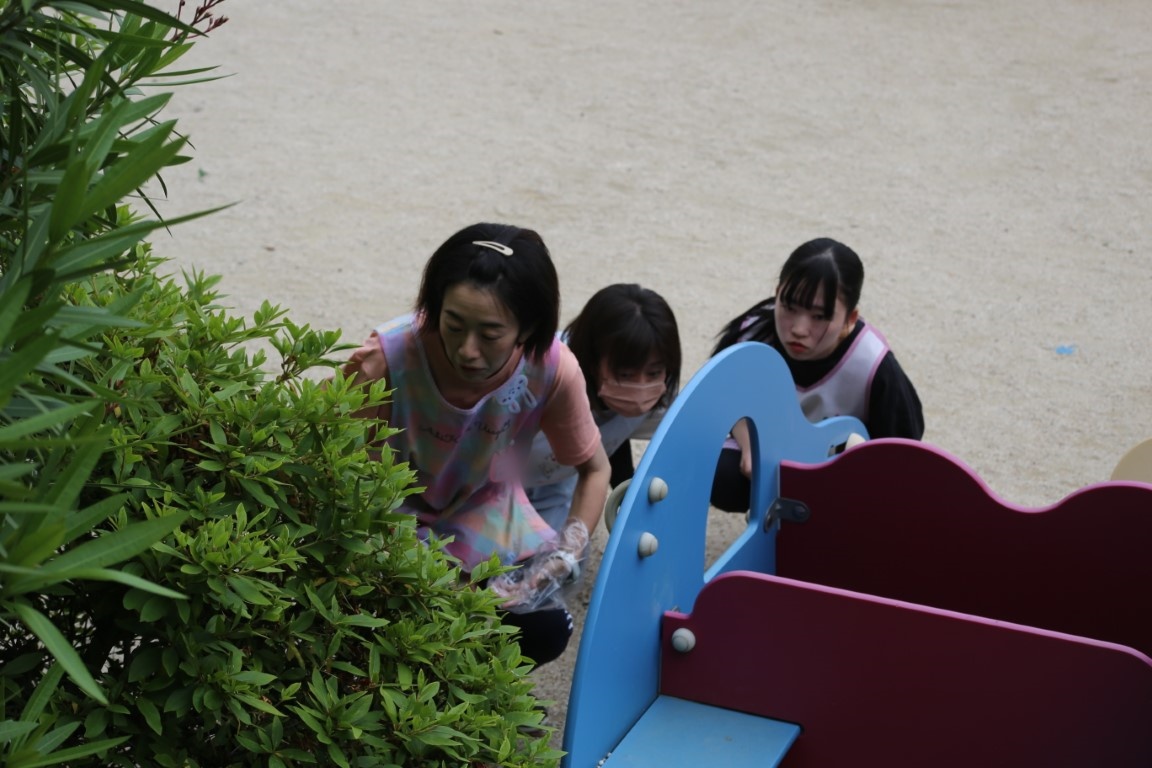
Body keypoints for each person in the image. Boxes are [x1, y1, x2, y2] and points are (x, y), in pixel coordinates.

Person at [341, 222, 610, 667]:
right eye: (453, 324)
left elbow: (595, 468)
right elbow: (339, 472)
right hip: (383, 519)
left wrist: (566, 553)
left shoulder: (551, 368)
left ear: (528, 328)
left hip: (485, 517)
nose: (468, 350)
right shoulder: (387, 359)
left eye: (489, 335)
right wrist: (420, 566)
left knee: (544, 629)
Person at [710, 237, 924, 511]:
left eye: (819, 316)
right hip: (768, 455)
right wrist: (750, 444)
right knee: (721, 476)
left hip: (839, 476)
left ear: (850, 319)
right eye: (789, 307)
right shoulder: (752, 334)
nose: (799, 329)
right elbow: (719, 399)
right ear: (777, 294)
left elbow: (902, 448)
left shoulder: (872, 364)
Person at [525, 283, 682, 531]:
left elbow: (613, 433)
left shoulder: (659, 393)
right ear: (592, 359)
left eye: (653, 373)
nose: (641, 386)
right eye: (625, 374)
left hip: (553, 486)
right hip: (485, 480)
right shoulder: (540, 373)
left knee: (559, 553)